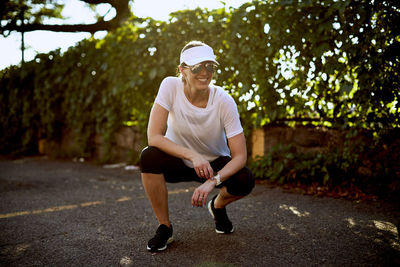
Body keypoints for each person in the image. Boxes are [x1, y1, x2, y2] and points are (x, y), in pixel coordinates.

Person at [139, 40, 255, 252]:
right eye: (197, 67)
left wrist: (213, 181)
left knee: (245, 179)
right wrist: (192, 155)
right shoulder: (170, 86)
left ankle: (217, 206)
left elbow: (240, 156)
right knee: (148, 156)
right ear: (182, 70)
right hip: (179, 160)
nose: (205, 72)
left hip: (213, 164)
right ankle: (164, 227)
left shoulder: (224, 100)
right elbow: (153, 137)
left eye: (209, 66)